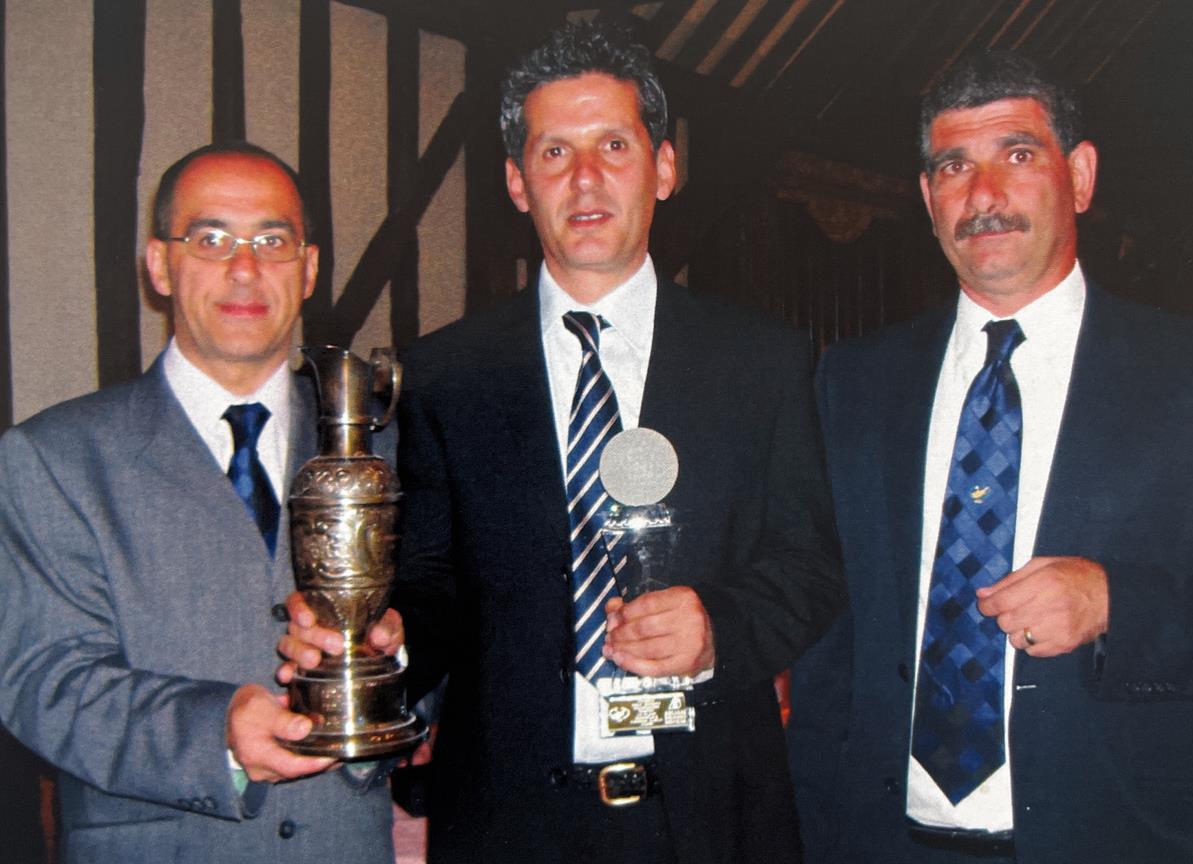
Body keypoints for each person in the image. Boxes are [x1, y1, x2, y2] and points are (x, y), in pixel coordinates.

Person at [282, 21, 843, 864]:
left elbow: (811, 565)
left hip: (713, 816)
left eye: (614, 144)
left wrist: (720, 625)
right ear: (516, 181)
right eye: (553, 152)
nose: (585, 178)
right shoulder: (446, 372)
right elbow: (434, 584)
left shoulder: (764, 360)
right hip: (509, 821)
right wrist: (392, 631)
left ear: (664, 166)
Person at [789, 51, 1193, 863]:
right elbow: (821, 608)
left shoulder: (1183, 374)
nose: (984, 196)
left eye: (1018, 155)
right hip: (880, 839)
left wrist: (1119, 604)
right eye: (954, 167)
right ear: (927, 198)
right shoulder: (853, 380)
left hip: (1118, 835)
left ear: (1079, 176)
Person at [0, 142, 398, 863]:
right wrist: (214, 732)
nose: (244, 269)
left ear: (307, 269)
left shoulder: (384, 450)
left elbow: (443, 641)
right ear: (160, 264)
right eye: (211, 239)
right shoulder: (53, 458)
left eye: (272, 240)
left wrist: (394, 666)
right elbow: (43, 681)